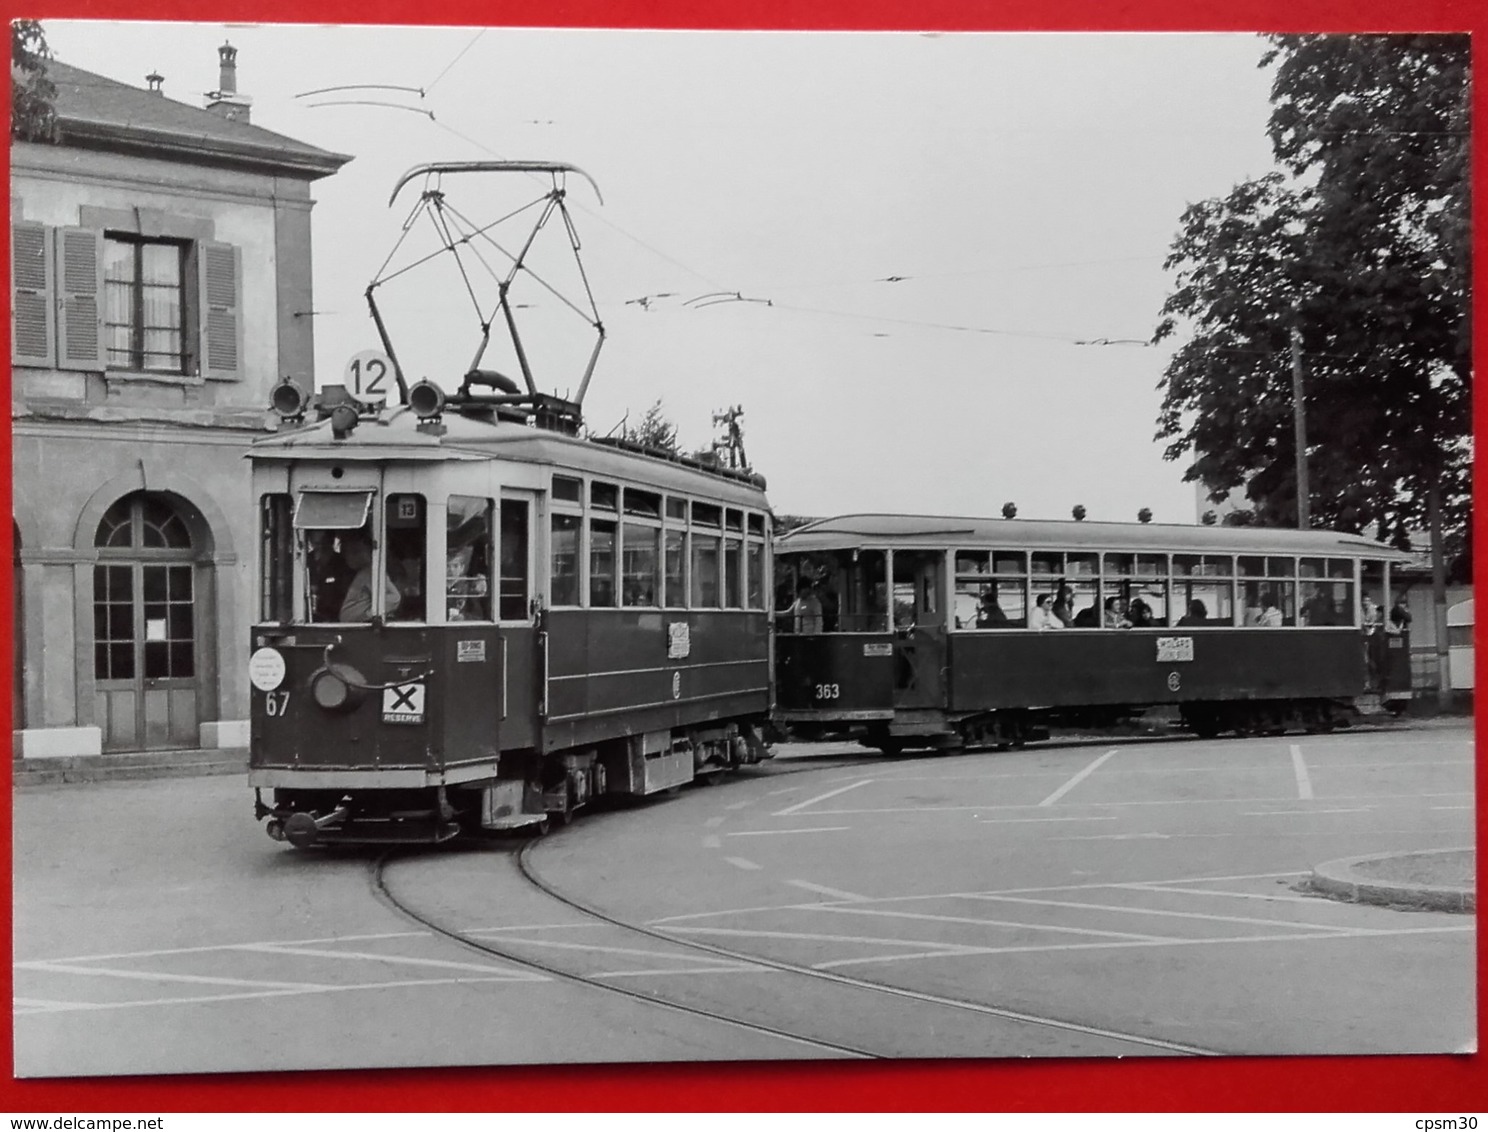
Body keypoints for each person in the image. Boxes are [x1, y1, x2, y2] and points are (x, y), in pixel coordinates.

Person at [339, 532, 401, 622]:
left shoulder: (371, 572)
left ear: (369, 551)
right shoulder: (360, 573)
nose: (350, 556)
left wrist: (370, 614)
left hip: (363, 630)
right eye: (347, 552)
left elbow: (394, 597)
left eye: (356, 551)